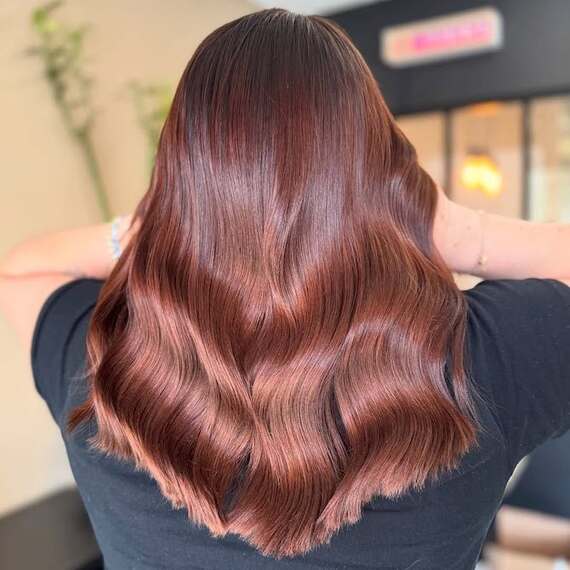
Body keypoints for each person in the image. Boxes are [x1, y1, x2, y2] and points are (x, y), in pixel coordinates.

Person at [1, 8, 569, 570]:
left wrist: (152, 230)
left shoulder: (104, 370)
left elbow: (18, 273)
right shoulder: (483, 364)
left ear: (183, 182)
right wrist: (451, 228)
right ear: (379, 177)